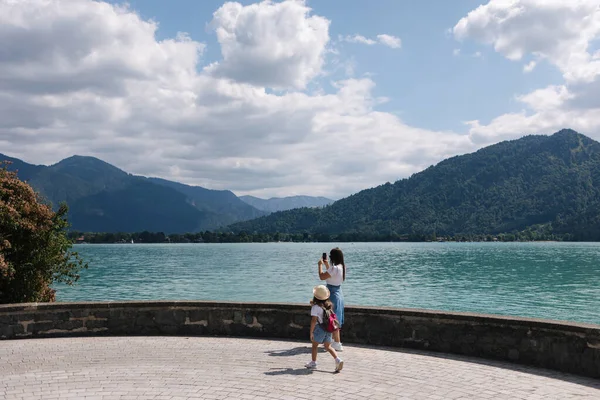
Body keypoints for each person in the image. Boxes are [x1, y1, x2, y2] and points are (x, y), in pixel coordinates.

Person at [305, 285, 344, 372]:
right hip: (328, 329)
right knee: (328, 346)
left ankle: (313, 362)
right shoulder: (328, 306)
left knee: (314, 345)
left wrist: (311, 332)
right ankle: (338, 359)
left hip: (320, 328)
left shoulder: (315, 307)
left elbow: (314, 321)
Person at [317, 247, 346, 351]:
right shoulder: (341, 267)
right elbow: (332, 276)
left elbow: (322, 276)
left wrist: (320, 265)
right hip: (338, 293)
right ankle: (336, 341)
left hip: (332, 294)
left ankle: (337, 343)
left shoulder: (334, 268)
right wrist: (326, 265)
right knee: (336, 317)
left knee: (332, 318)